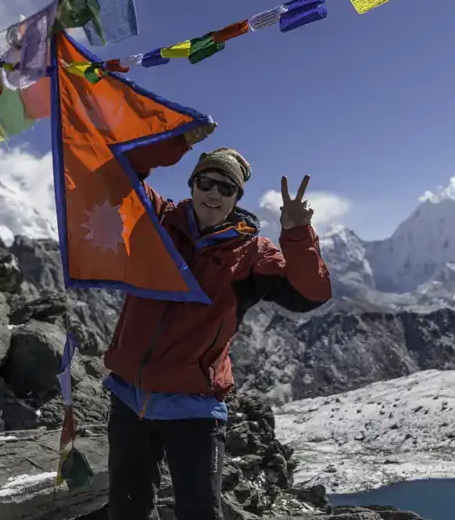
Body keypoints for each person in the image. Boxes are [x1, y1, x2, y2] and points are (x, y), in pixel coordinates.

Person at [102, 144, 333, 520]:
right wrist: (171, 144)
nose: (214, 194)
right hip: (130, 399)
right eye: (206, 182)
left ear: (237, 198)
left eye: (226, 188)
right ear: (192, 184)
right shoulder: (156, 219)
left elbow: (311, 295)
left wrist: (297, 233)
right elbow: (116, 176)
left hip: (195, 405)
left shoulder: (252, 253)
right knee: (128, 510)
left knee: (200, 513)